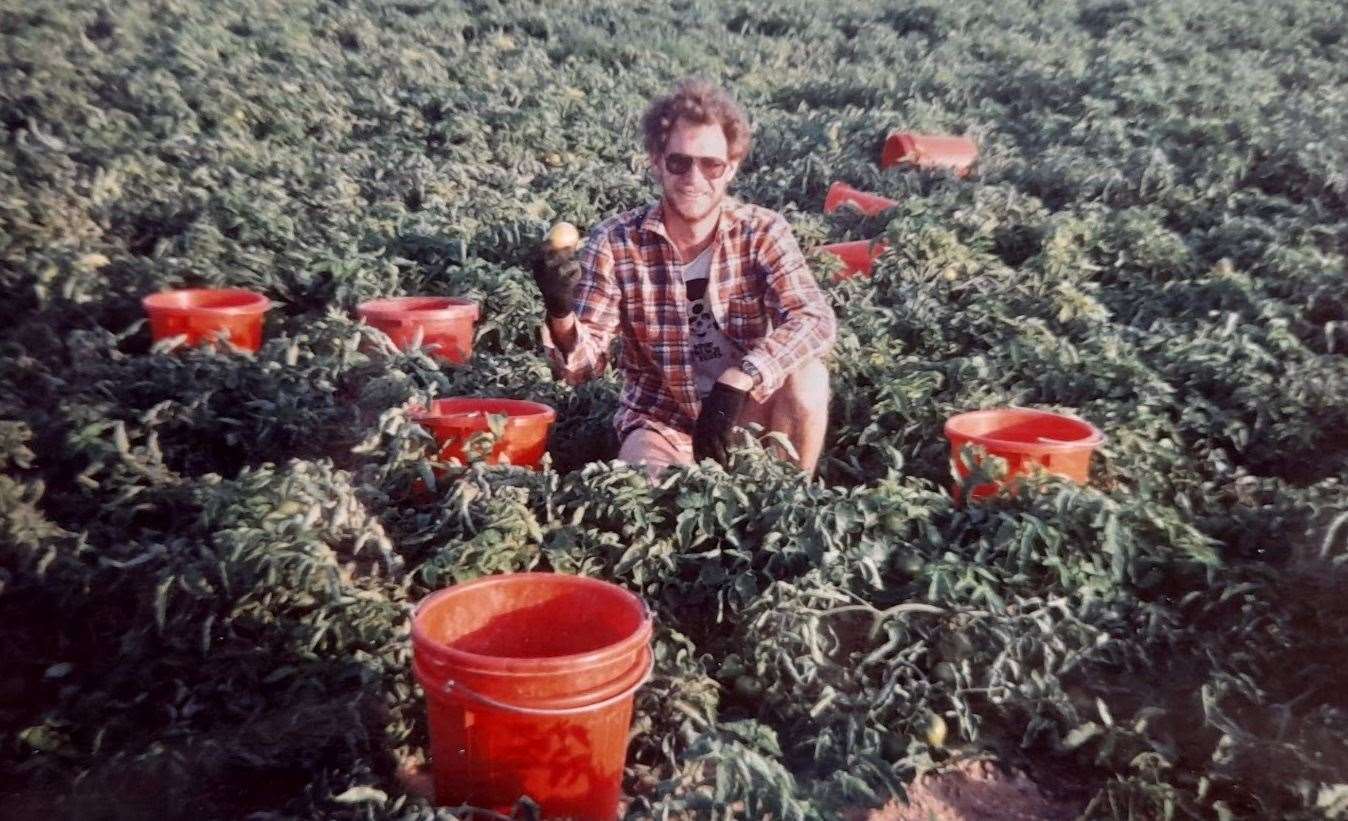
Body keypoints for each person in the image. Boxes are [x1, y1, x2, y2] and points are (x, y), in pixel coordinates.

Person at [529, 78, 836, 478]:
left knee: (808, 377)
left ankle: (791, 502)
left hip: (746, 407)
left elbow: (815, 319)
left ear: (731, 168)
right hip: (662, 418)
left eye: (711, 164)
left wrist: (739, 379)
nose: (694, 178)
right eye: (679, 162)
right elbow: (584, 369)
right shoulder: (617, 242)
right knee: (649, 497)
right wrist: (560, 310)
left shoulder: (762, 231)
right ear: (656, 161)